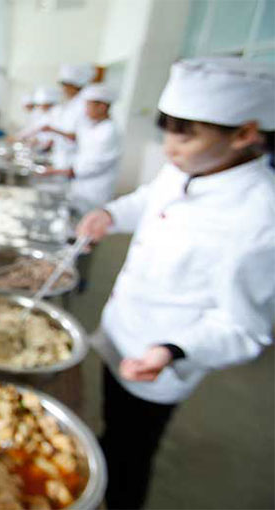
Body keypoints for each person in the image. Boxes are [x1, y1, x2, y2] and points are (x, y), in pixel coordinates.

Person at [76, 57, 275, 509]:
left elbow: (244, 329)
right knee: (113, 429)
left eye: (185, 135)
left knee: (131, 454)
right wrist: (109, 215)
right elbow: (150, 201)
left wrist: (172, 350)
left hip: (157, 360)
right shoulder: (188, 168)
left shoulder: (259, 219)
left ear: (245, 133)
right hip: (121, 327)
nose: (169, 147)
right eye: (166, 131)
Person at [41, 84, 121, 215]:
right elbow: (76, 138)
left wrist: (55, 171)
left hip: (95, 188)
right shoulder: (92, 126)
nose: (85, 110)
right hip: (80, 184)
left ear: (102, 107)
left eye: (88, 105)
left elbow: (93, 166)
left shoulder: (109, 131)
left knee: (88, 219)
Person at [50, 63, 94, 170]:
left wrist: (53, 130)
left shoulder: (84, 105)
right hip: (62, 156)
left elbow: (80, 136)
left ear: (74, 86)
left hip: (74, 158)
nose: (63, 89)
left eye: (65, 86)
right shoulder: (72, 103)